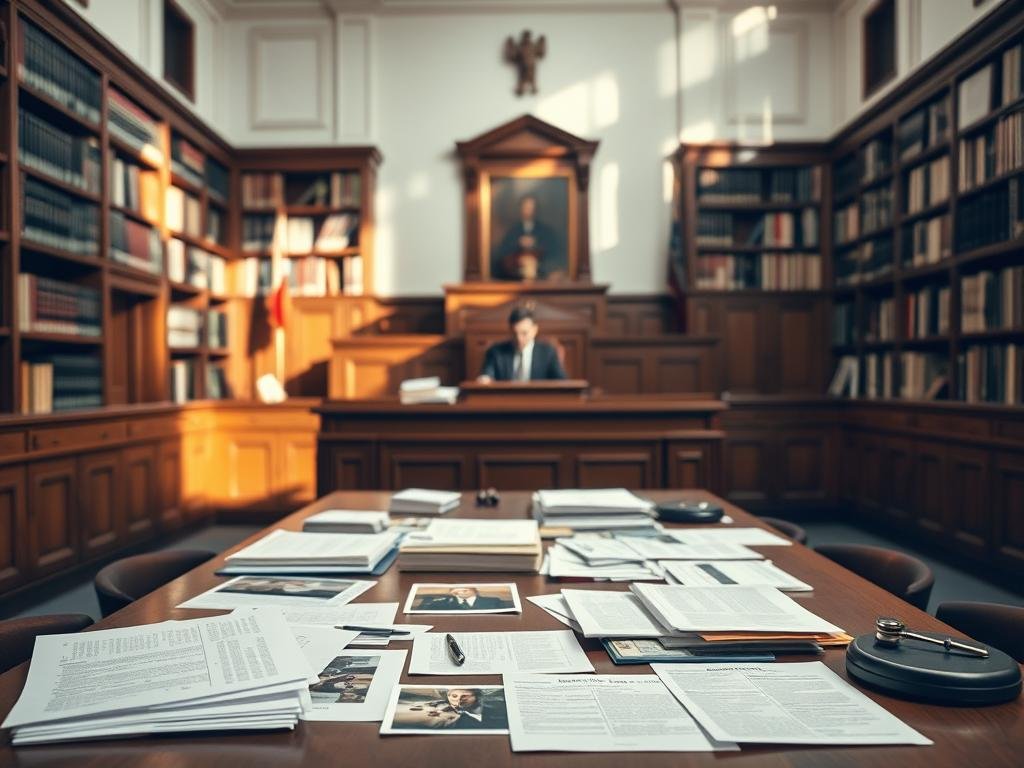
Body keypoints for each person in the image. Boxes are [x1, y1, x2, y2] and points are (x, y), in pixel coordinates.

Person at [477, 306, 566, 382]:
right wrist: (485, 379)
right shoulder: (496, 352)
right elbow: (487, 375)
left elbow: (561, 381)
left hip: (539, 401)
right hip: (505, 401)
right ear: (510, 330)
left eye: (524, 333)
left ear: (534, 330)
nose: (519, 338)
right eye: (515, 333)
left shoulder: (548, 353)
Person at [492, 195, 565, 280]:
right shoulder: (512, 231)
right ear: (521, 209)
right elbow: (502, 255)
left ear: (536, 210)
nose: (529, 210)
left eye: (531, 207)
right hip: (515, 277)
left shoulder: (546, 231)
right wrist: (518, 244)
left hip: (540, 276)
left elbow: (555, 253)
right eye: (526, 207)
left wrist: (536, 244)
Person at [432, 688, 508, 730]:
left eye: (465, 696)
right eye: (454, 696)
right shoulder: (454, 721)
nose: (459, 700)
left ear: (476, 696)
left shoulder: (499, 710)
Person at [414, 586, 513, 611]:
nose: (461, 591)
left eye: (465, 589)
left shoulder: (493, 601)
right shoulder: (440, 603)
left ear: (475, 590)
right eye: (457, 589)